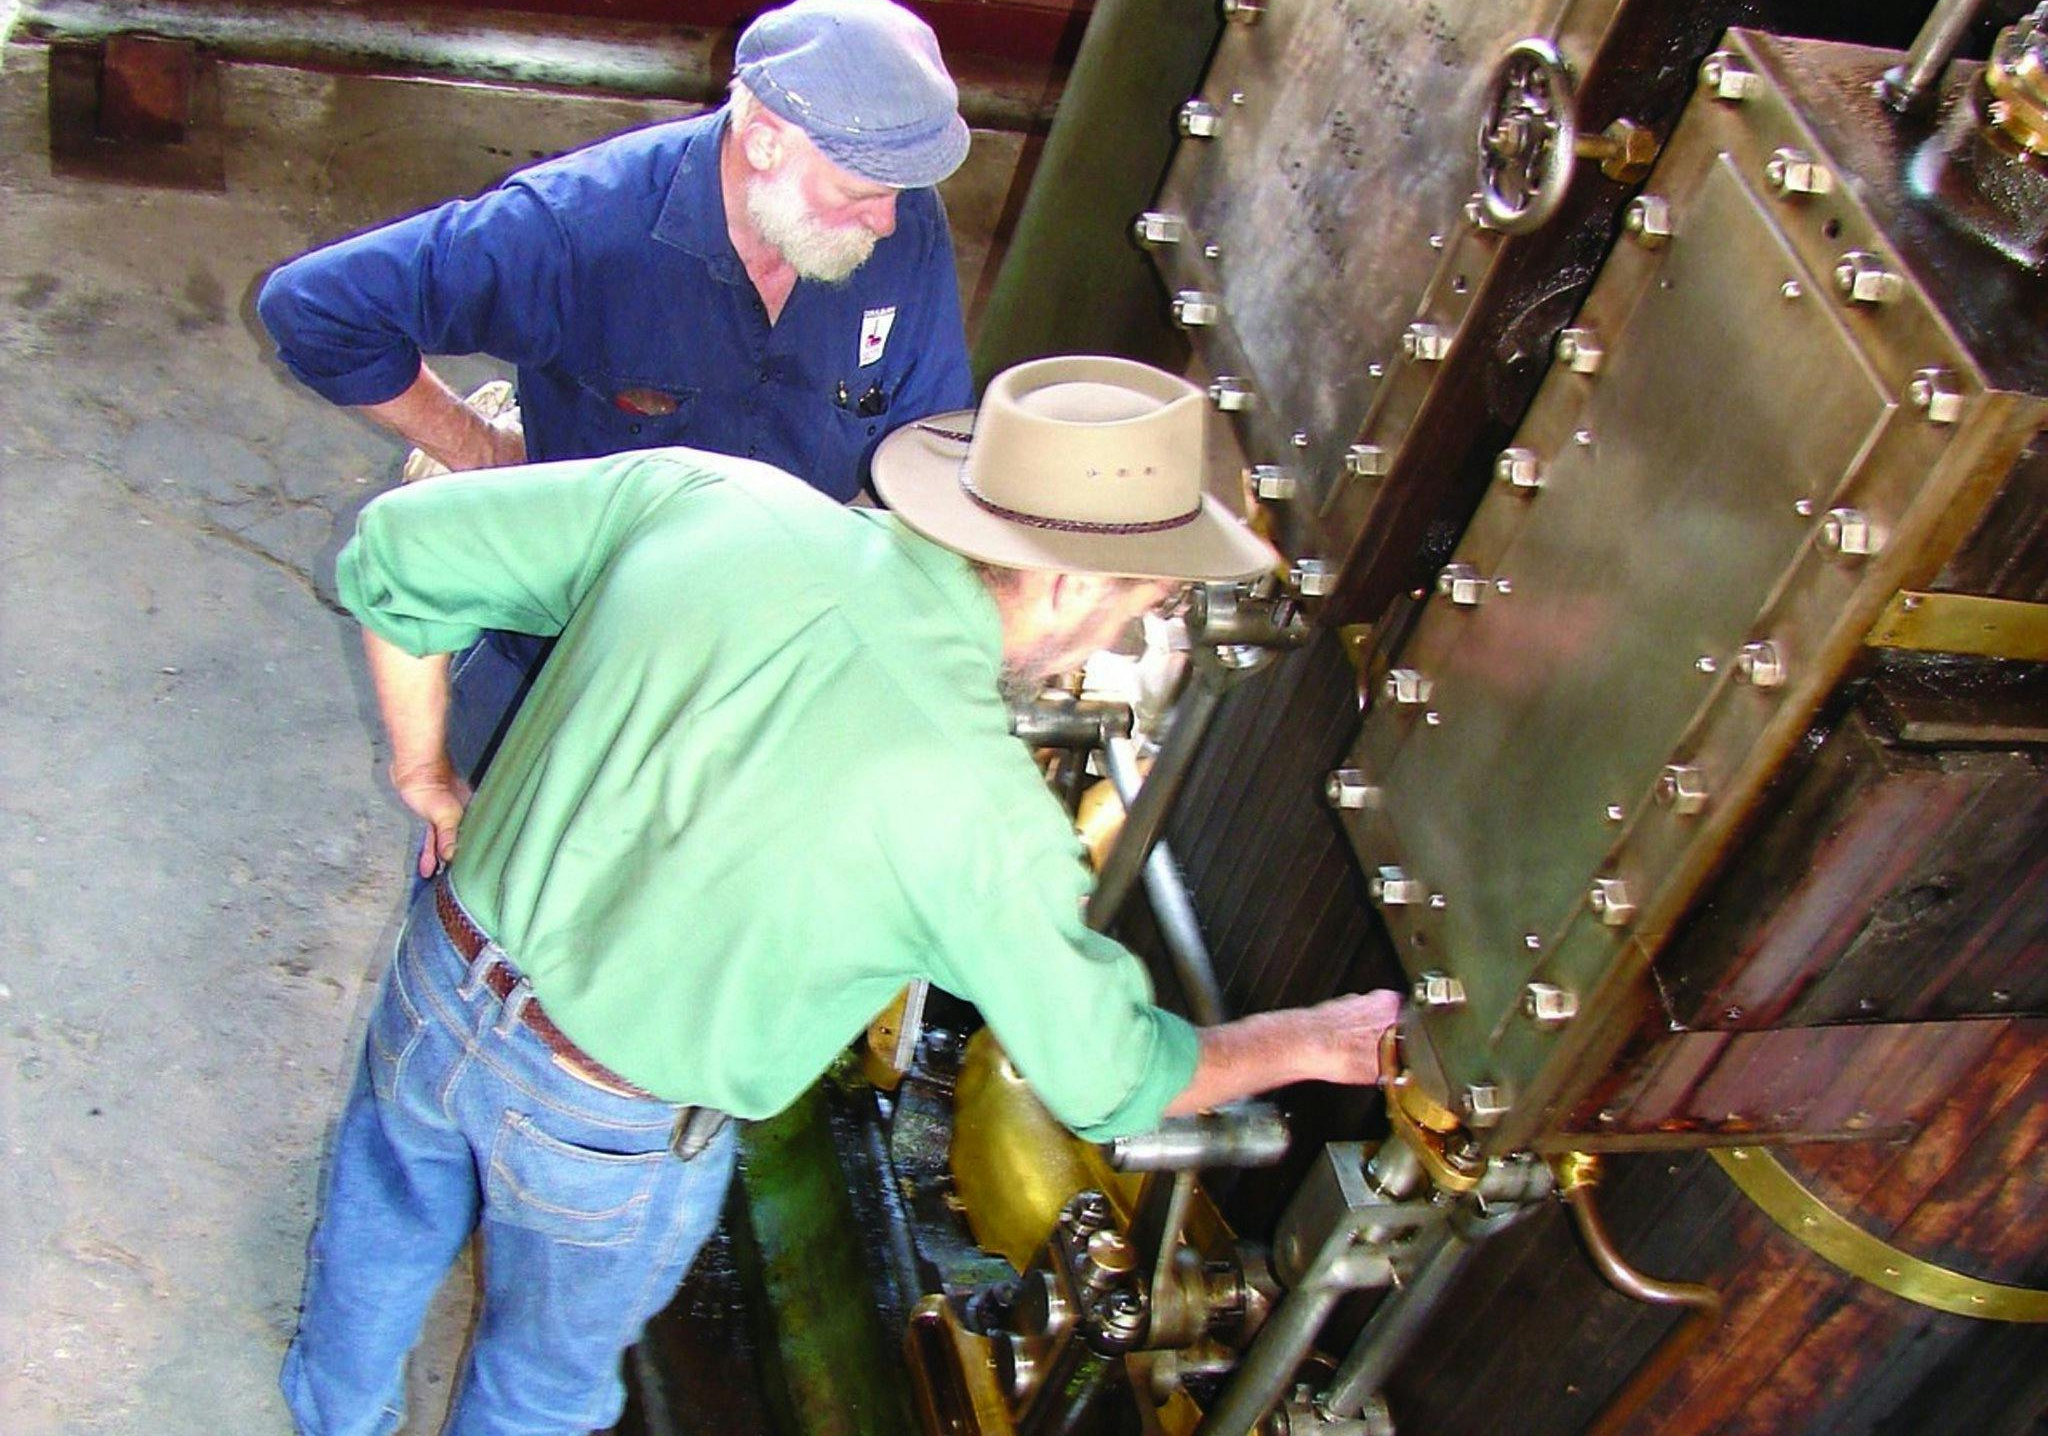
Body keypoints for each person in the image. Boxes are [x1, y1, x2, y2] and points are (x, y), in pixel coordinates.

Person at [286, 355, 1405, 1435]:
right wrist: (1312, 1039)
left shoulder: (713, 495)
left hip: (443, 973)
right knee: (541, 1386)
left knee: (381, 1221)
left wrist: (427, 776)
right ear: (1067, 584)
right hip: (606, 1121)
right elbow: (1112, 1079)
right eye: (1137, 608)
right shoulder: (984, 818)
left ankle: (330, 1418)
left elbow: (399, 552)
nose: (1116, 638)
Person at [257, 0, 975, 780]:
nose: (889, 222)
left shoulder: (905, 219)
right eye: (863, 194)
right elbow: (316, 308)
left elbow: (927, 441)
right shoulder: (577, 231)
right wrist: (479, 447)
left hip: (771, 651)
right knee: (481, 868)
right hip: (573, 647)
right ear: (766, 142)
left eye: (901, 193)